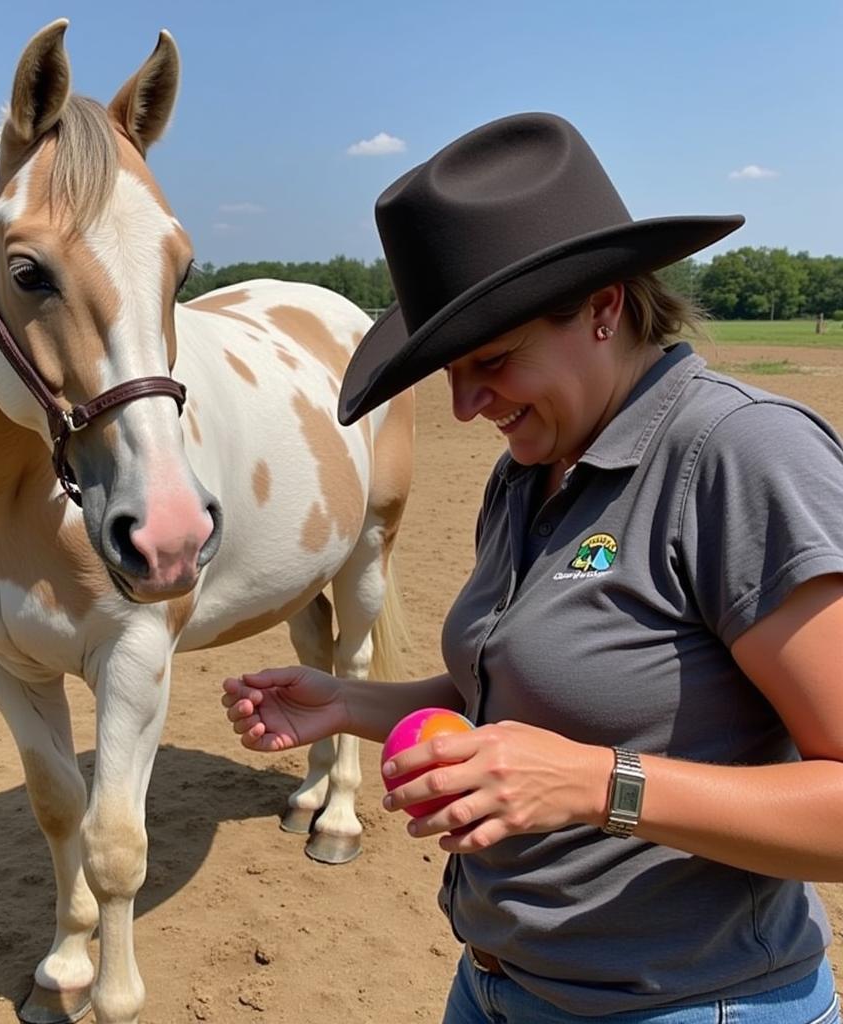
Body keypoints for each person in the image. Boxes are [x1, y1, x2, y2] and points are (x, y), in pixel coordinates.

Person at [222, 112, 843, 1022]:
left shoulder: (739, 458)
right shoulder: (529, 470)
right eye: (447, 369)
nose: (466, 406)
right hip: (495, 985)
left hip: (689, 1003)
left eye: (492, 360)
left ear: (604, 307)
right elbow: (518, 699)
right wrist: (350, 705)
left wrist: (598, 785)